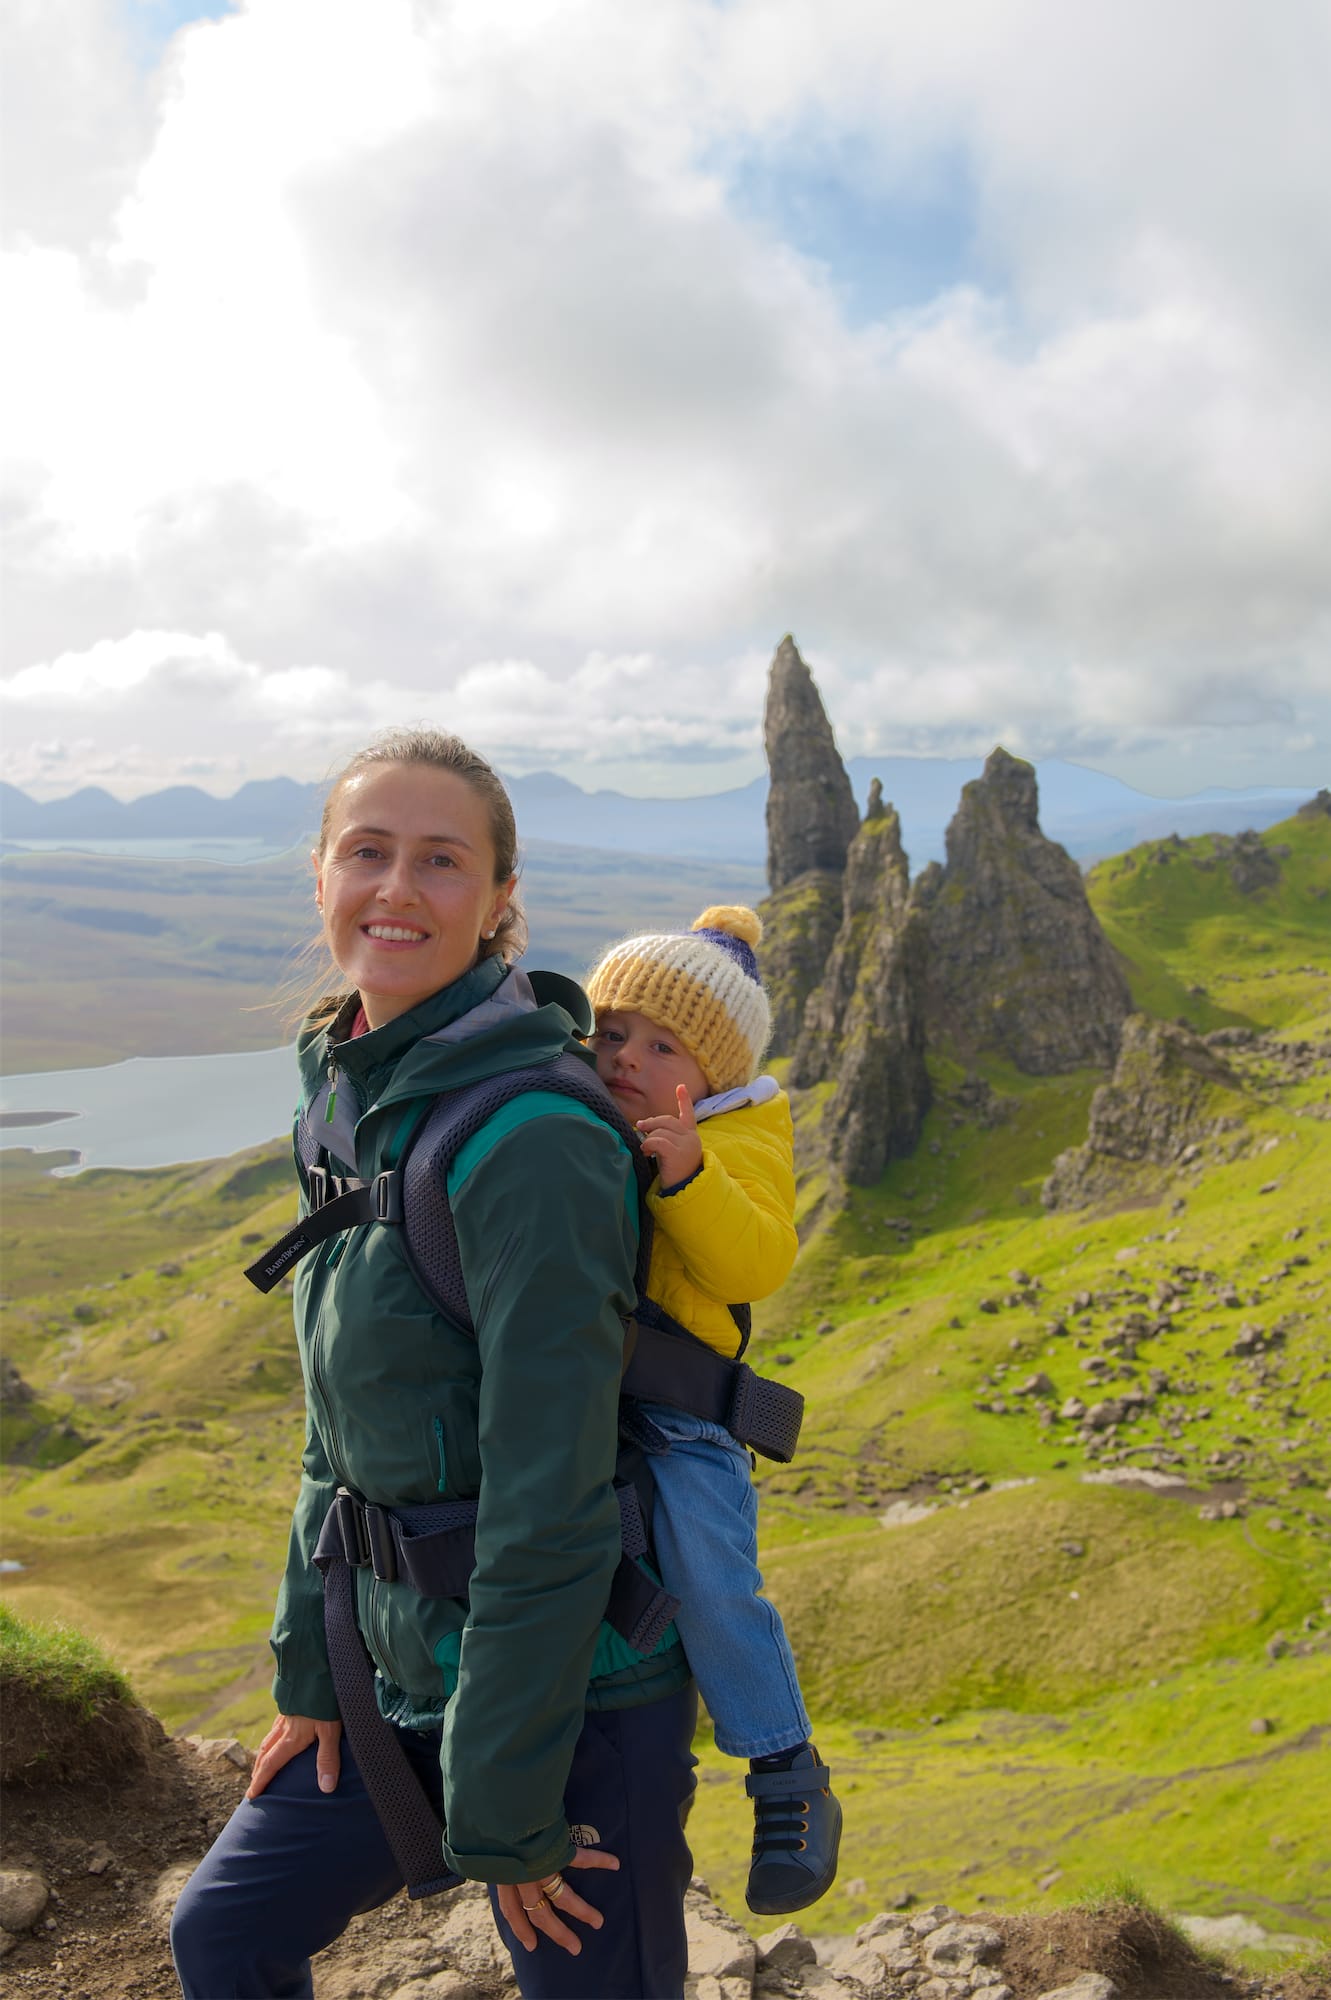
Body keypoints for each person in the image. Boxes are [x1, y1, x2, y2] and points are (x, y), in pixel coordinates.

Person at [170, 729, 697, 2000]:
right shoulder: (351, 1085)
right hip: (393, 1670)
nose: (396, 888)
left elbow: (551, 1493)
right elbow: (337, 1422)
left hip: (572, 1704)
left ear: (500, 900)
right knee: (223, 1934)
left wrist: (507, 1791)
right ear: (319, 875)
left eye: (442, 860)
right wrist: (314, 1673)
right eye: (368, 851)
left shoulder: (531, 1138)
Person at [585, 907, 842, 1917]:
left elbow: (756, 1261)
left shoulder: (739, 1131)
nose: (627, 1059)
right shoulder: (580, 1105)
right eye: (611, 1033)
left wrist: (685, 1172)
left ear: (713, 1067)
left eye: (661, 1045)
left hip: (681, 1413)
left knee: (705, 1570)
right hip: (585, 1400)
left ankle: (785, 1770)